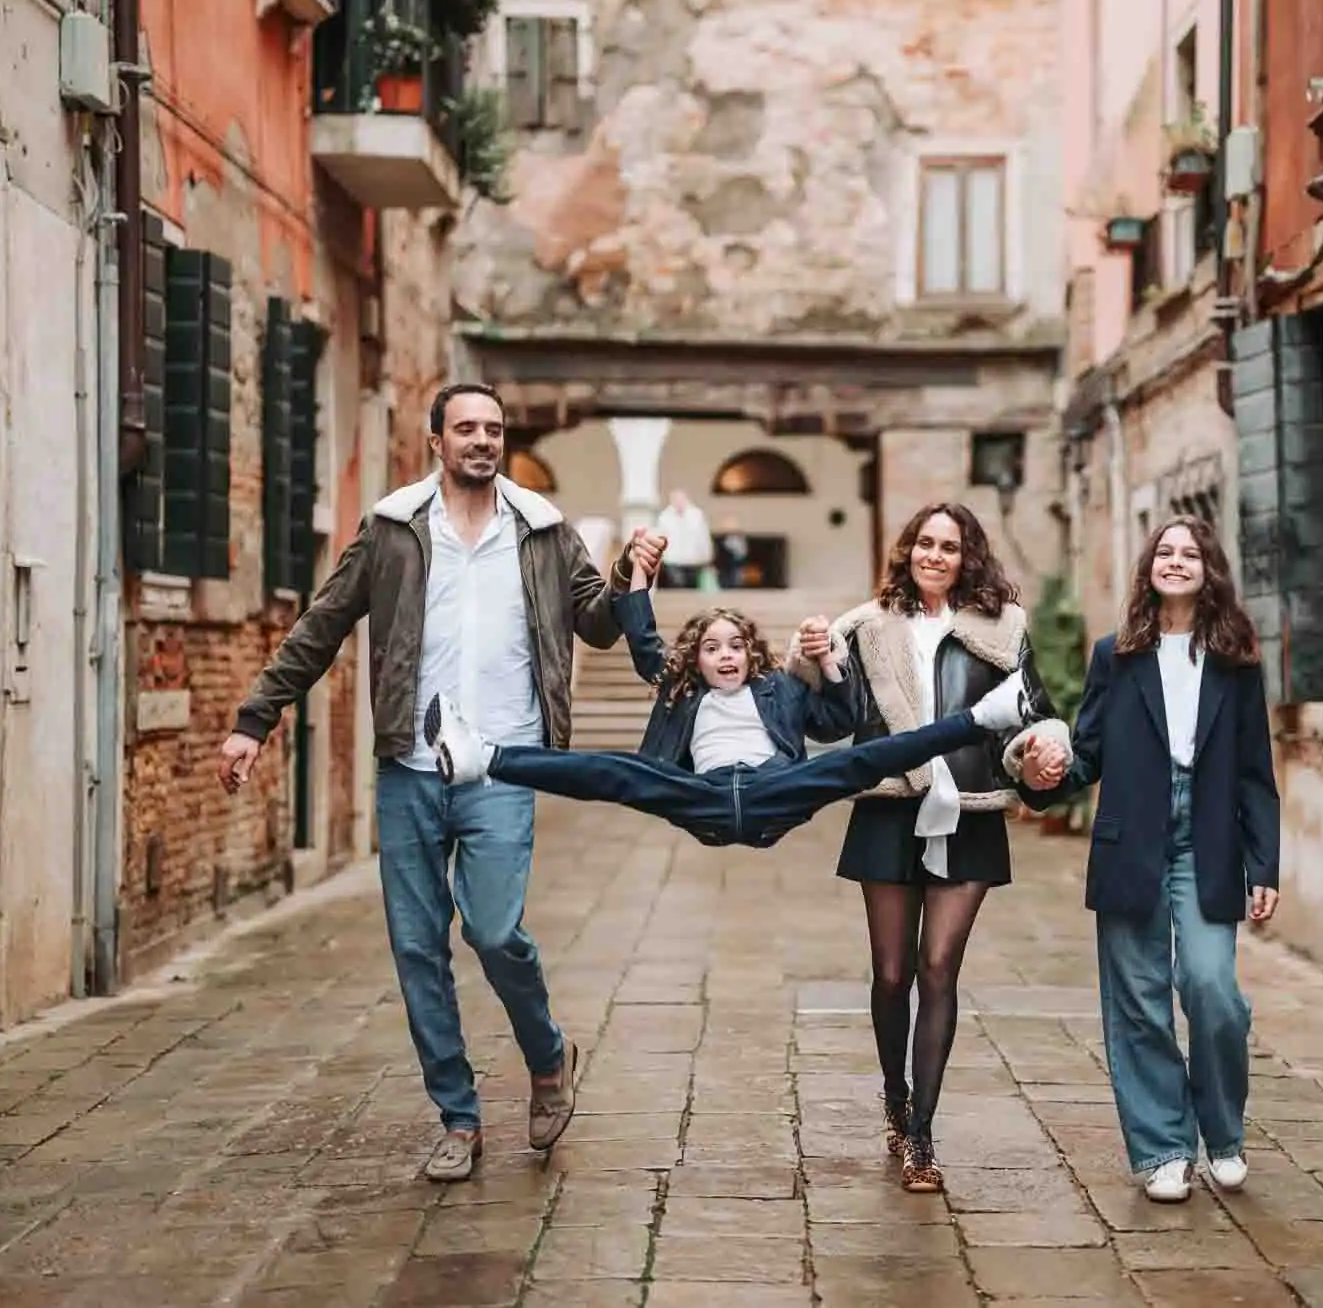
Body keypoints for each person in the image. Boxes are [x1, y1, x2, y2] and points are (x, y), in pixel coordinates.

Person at [216, 381, 664, 1184]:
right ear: (436, 441)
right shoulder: (392, 529)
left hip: (505, 760)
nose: (482, 440)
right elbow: (323, 624)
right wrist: (256, 717)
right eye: (466, 428)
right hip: (410, 766)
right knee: (418, 947)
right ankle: (458, 1116)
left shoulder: (543, 529)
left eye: (493, 428)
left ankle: (547, 1051)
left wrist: (632, 578)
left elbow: (596, 622)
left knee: (494, 932)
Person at [425, 558, 1045, 847]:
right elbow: (646, 647)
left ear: (753, 655)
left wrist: (829, 663)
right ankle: (483, 757)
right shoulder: (682, 692)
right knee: (612, 772)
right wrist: (639, 581)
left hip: (778, 791)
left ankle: (986, 714)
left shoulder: (777, 691)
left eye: (736, 647)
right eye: (711, 648)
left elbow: (837, 721)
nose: (725, 656)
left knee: (866, 758)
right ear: (694, 661)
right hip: (702, 798)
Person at [821, 502, 1073, 1193]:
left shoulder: (1003, 626)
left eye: (950, 546)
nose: (936, 554)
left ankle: (923, 1135)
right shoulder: (866, 624)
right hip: (888, 806)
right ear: (907, 550)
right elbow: (830, 709)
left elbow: (1030, 711)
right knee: (893, 972)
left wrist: (1038, 750)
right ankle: (895, 1096)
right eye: (925, 543)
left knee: (939, 968)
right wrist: (814, 662)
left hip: (970, 809)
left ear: (969, 557)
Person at [1057, 516, 1281, 1204]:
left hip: (1206, 835)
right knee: (1139, 1001)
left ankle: (1223, 1132)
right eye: (1165, 550)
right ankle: (1162, 1148)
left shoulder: (1236, 660)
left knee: (1213, 988)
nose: (1176, 561)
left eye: (1189, 553)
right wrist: (1049, 766)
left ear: (1208, 569)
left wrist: (1263, 863)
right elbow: (1086, 751)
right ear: (1148, 566)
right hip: (1134, 833)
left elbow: (1253, 771)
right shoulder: (1114, 655)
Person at [656, 488, 715, 591]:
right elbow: (660, 538)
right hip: (673, 560)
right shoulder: (664, 517)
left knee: (692, 589)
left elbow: (703, 537)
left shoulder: (696, 515)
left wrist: (707, 555)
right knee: (676, 588)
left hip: (693, 561)